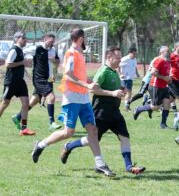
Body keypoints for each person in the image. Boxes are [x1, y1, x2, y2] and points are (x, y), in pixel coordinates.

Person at [31, 28, 115, 177]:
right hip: (72, 97)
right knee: (68, 132)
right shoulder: (71, 53)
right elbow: (68, 76)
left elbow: (79, 76)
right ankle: (41, 144)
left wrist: (91, 82)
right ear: (81, 39)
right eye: (85, 38)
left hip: (83, 98)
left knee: (93, 131)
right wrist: (87, 85)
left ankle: (100, 164)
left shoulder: (79, 54)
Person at [59, 47, 145, 175]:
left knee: (124, 137)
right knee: (91, 140)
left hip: (115, 112)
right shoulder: (103, 71)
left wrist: (121, 89)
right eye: (118, 58)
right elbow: (93, 89)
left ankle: (129, 166)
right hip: (101, 112)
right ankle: (69, 146)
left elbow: (114, 87)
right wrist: (113, 93)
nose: (120, 60)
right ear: (109, 58)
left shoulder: (114, 71)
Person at [12, 34, 62, 132]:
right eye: (50, 42)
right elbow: (21, 51)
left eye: (53, 42)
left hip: (49, 79)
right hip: (39, 79)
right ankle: (52, 123)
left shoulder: (53, 50)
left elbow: (58, 62)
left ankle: (18, 117)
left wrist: (55, 61)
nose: (52, 44)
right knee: (51, 97)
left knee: (34, 101)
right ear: (44, 40)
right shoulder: (37, 48)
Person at [0, 31, 35, 135]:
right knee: (5, 103)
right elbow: (7, 64)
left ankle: (24, 128)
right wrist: (22, 62)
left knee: (26, 103)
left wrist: (25, 64)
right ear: (17, 39)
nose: (26, 40)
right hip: (11, 81)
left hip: (20, 81)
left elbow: (18, 64)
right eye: (23, 38)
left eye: (25, 38)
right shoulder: (14, 50)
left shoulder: (20, 50)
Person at [133, 46, 171, 129]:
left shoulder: (167, 62)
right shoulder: (159, 60)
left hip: (164, 87)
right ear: (161, 52)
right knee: (155, 107)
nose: (168, 53)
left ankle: (163, 124)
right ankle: (139, 109)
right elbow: (153, 72)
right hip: (155, 86)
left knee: (167, 103)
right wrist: (164, 78)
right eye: (167, 51)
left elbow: (166, 74)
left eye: (169, 51)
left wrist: (169, 79)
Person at [119, 47, 139, 111]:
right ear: (130, 53)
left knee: (124, 93)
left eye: (135, 54)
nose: (135, 55)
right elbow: (118, 65)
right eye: (133, 54)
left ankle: (123, 105)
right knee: (128, 93)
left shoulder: (134, 59)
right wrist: (120, 74)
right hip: (125, 78)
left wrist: (137, 73)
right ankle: (127, 106)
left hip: (130, 78)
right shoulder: (125, 59)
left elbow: (135, 67)